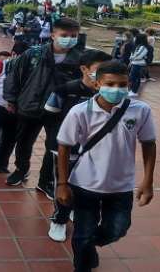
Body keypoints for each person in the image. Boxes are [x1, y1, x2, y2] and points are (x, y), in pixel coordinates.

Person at [56, 61, 157, 272]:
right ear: (97, 84)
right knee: (83, 232)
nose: (117, 89)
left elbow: (148, 143)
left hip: (121, 185)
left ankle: (88, 245)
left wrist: (148, 180)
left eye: (122, 84)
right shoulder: (80, 112)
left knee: (118, 229)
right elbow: (64, 146)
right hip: (84, 184)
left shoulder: (140, 110)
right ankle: (82, 264)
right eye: (110, 84)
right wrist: (63, 184)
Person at [1, 18, 85, 191]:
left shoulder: (80, 60)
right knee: (23, 142)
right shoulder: (34, 54)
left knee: (54, 146)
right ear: (53, 35)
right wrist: (11, 99)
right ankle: (21, 169)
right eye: (64, 35)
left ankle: (45, 181)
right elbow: (14, 75)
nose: (69, 39)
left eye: (73, 36)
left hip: (59, 111)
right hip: (29, 105)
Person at [46, 50, 113, 242]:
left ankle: (75, 210)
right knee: (64, 185)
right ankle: (59, 220)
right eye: (99, 70)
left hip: (95, 152)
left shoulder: (107, 95)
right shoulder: (64, 90)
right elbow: (50, 116)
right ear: (84, 69)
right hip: (67, 150)